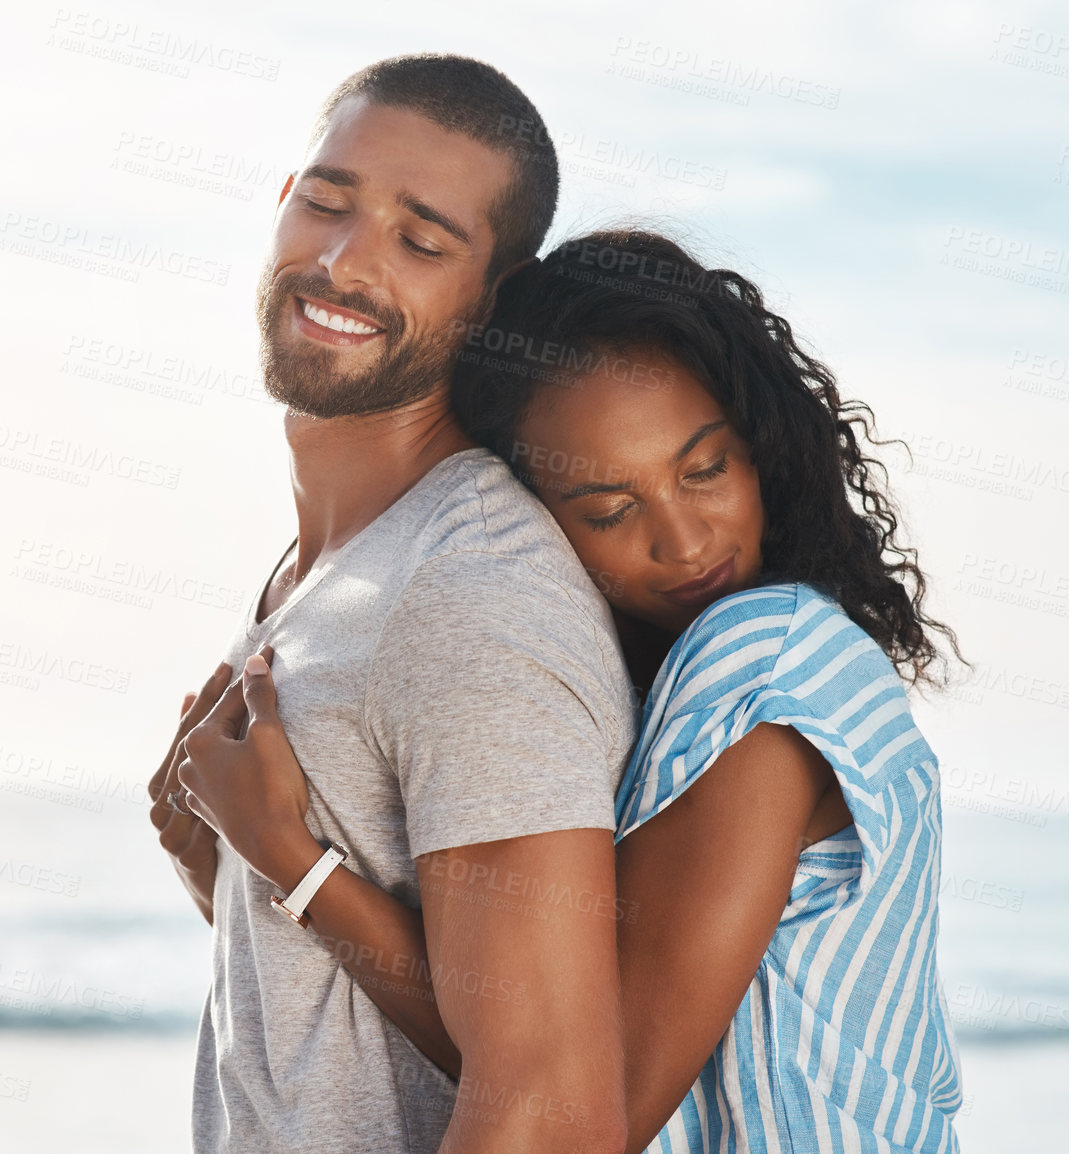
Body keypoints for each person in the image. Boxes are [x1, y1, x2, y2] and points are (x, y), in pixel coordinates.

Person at [186, 228, 967, 1152]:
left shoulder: (760, 662)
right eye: (607, 510)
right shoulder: (664, 688)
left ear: (763, 446)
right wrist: (220, 866)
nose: (682, 542)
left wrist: (296, 863)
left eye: (704, 469)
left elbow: (585, 1100)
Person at [145, 56, 638, 1154]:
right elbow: (388, 1021)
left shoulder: (474, 594)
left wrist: (293, 860)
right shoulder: (326, 564)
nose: (341, 260)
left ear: (494, 299)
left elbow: (551, 1101)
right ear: (282, 203)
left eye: (420, 241)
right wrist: (223, 870)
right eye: (326, 202)